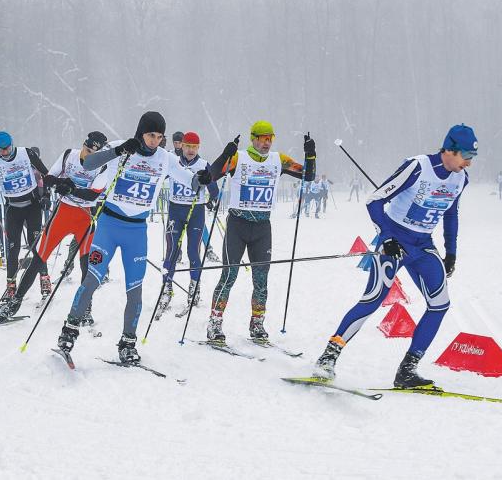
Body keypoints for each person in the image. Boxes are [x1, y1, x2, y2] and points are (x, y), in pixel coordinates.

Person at [313, 124, 476, 389]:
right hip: (395, 241)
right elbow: (374, 200)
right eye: (466, 155)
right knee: (372, 299)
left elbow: (451, 215)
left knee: (440, 304)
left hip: (423, 245)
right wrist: (386, 237)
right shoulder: (418, 167)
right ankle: (327, 359)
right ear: (449, 149)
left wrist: (452, 254)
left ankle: (407, 370)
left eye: (472, 157)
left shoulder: (460, 179)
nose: (469, 162)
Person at [56, 111, 211, 363]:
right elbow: (88, 163)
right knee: (92, 280)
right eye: (151, 135)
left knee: (134, 290)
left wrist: (203, 178)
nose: (155, 141)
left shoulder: (166, 158)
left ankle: (128, 342)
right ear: (141, 133)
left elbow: (191, 182)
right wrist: (117, 152)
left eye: (160, 137)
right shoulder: (122, 148)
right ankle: (69, 330)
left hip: (137, 231)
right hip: (109, 225)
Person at [205, 121, 316, 343]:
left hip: (263, 227)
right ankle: (215, 323)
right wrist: (225, 154)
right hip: (238, 224)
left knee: (261, 279)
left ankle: (257, 324)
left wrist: (310, 155)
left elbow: (308, 176)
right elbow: (211, 176)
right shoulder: (239, 158)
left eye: (270, 138)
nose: (266, 143)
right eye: (262, 138)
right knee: (229, 275)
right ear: (253, 138)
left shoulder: (279, 159)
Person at [0, 132, 110, 319]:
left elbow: (93, 195)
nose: (89, 156)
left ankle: (85, 308)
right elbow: (48, 178)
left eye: (93, 154)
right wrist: (61, 183)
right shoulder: (68, 156)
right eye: (87, 150)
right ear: (83, 144)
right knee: (39, 258)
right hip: (62, 215)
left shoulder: (104, 166)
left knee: (85, 265)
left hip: (84, 216)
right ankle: (15, 303)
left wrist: (71, 188)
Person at [0, 131, 52, 307]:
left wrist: (46, 195)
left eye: (7, 149)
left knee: (35, 244)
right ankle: (11, 286)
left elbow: (46, 174)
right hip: (13, 208)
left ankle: (44, 277)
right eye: (1, 150)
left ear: (12, 145)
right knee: (12, 249)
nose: (4, 153)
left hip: (33, 205)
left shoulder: (26, 153)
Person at [159, 131, 220, 314]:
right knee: (171, 252)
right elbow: (159, 177)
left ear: (198, 148)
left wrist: (211, 200)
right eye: (188, 146)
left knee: (193, 251)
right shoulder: (173, 163)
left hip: (196, 212)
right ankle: (166, 289)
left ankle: (194, 288)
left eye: (194, 147)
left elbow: (214, 190)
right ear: (182, 146)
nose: (191, 150)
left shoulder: (203, 165)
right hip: (175, 211)